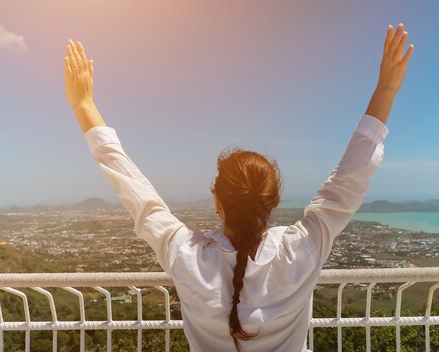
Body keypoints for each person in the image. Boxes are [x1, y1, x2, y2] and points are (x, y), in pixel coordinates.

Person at [65, 23, 413, 352]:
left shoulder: (187, 256)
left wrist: (84, 105)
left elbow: (135, 190)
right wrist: (386, 90)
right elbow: (351, 177)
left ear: (217, 201)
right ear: (272, 202)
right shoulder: (301, 251)